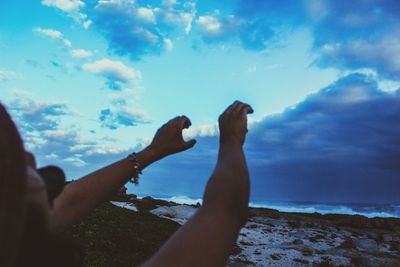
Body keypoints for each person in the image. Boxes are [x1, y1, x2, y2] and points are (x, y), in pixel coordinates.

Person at [0, 100, 253, 267]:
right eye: (15, 157)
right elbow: (225, 211)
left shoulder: (13, 237)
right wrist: (231, 141)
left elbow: (68, 202)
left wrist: (154, 151)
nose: (32, 158)